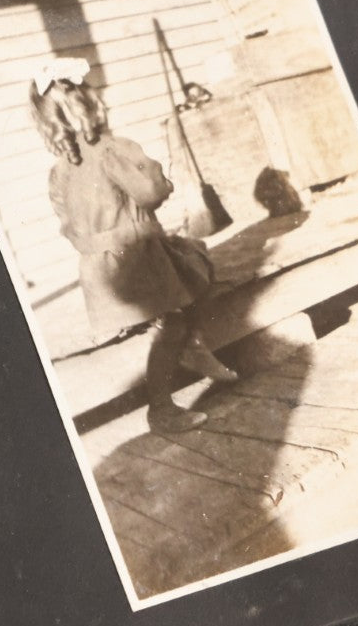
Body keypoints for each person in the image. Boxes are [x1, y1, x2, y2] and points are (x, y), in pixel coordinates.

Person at [28, 59, 237, 434]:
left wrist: (97, 244)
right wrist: (160, 182)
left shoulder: (58, 171)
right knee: (183, 300)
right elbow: (150, 192)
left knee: (184, 288)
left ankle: (194, 350)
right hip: (137, 254)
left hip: (102, 264)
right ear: (91, 107)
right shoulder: (112, 150)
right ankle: (161, 408)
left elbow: (66, 224)